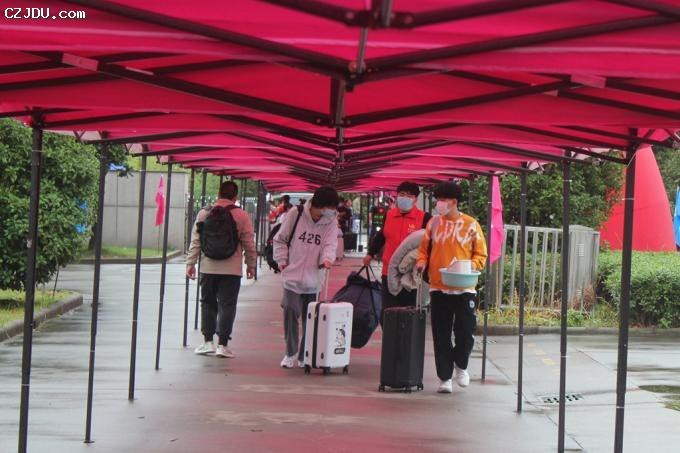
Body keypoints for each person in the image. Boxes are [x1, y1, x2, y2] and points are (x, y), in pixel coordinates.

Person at [415, 181, 487, 394]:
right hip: (439, 286)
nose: (439, 203)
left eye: (442, 199)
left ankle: (461, 365)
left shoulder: (471, 224)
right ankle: (445, 377)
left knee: (465, 331)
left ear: (454, 202)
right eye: (438, 199)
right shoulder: (433, 223)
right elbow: (423, 250)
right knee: (441, 333)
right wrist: (421, 262)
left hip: (464, 287)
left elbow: (481, 255)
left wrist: (470, 265)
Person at [187, 181, 257, 358]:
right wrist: (251, 265)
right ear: (235, 196)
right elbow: (249, 242)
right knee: (227, 305)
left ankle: (207, 342)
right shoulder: (241, 215)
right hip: (231, 270)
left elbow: (196, 241)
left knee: (207, 303)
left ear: (218, 193)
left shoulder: (204, 213)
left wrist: (190, 263)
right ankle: (223, 345)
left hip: (208, 268)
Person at [273, 185, 340, 368]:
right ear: (319, 205)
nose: (332, 211)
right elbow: (280, 239)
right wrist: (282, 261)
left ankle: (305, 354)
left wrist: (327, 259)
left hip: (314, 278)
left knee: (310, 318)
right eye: (329, 207)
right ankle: (291, 352)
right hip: (292, 276)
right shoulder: (296, 214)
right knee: (290, 310)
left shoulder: (331, 222)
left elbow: (330, 244)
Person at [363, 182, 431, 318]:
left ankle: (407, 332)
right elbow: (381, 236)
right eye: (402, 194)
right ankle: (389, 332)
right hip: (389, 270)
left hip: (411, 273)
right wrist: (370, 254)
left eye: (409, 196)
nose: (405, 198)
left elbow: (430, 243)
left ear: (416, 199)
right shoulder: (389, 215)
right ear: (397, 196)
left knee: (408, 312)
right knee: (388, 312)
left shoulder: (425, 218)